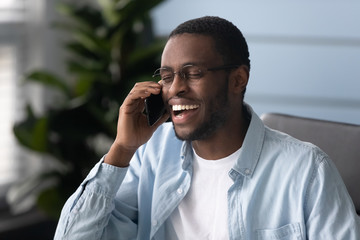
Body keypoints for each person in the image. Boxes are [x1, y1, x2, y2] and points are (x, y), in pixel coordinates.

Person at [54, 16, 360, 240]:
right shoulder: (152, 155)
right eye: (167, 76)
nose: (175, 89)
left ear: (238, 79)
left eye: (193, 73)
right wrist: (122, 149)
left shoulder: (306, 170)